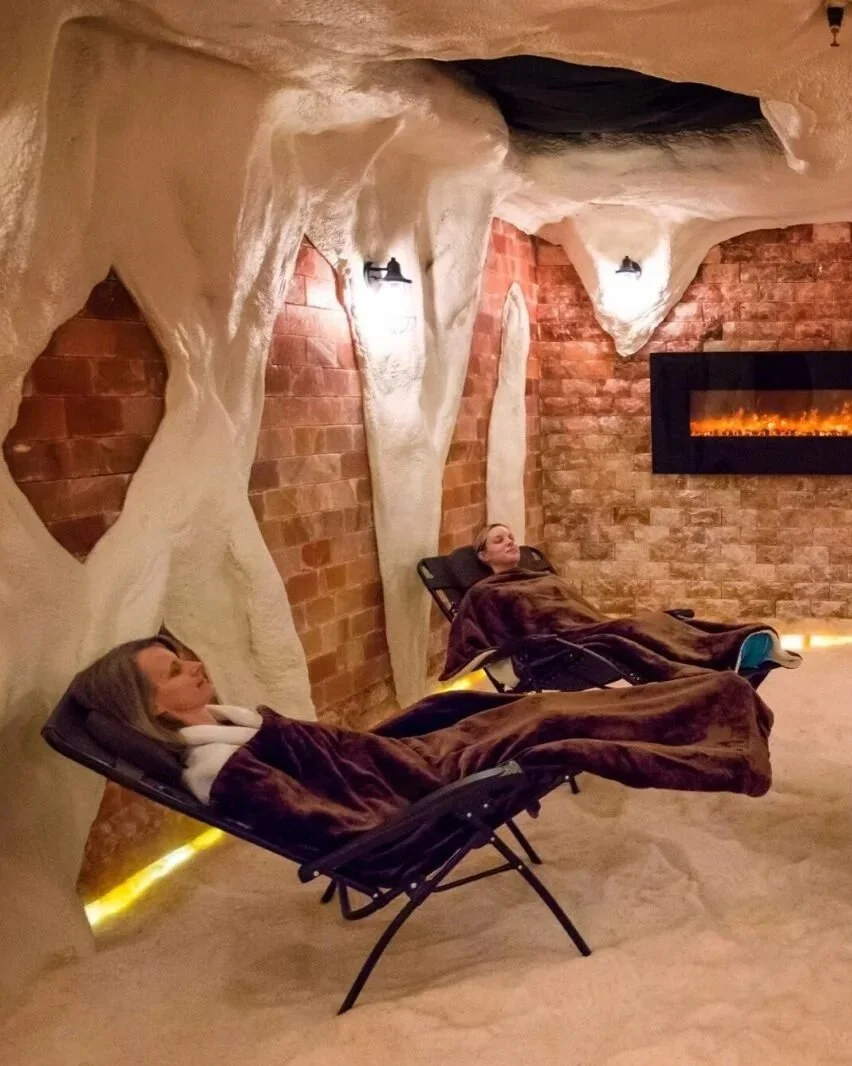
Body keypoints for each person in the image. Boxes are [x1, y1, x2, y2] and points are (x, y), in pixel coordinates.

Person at [69, 634, 776, 876]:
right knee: (558, 718)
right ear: (155, 708)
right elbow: (347, 831)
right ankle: (716, 709)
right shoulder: (221, 769)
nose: (194, 668)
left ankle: (713, 695)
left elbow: (340, 758)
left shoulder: (230, 726)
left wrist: (411, 738)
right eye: (174, 673)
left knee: (535, 707)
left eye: (185, 658)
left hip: (414, 761)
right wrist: (444, 797)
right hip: (424, 791)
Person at [440, 523, 802, 682]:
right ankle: (721, 657)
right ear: (484, 555)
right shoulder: (484, 593)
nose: (510, 542)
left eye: (512, 537)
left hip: (586, 630)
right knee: (635, 629)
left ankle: (739, 643)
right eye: (499, 540)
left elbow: (579, 611)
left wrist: (590, 621)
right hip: (559, 649)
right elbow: (476, 635)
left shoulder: (540, 577)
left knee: (660, 621)